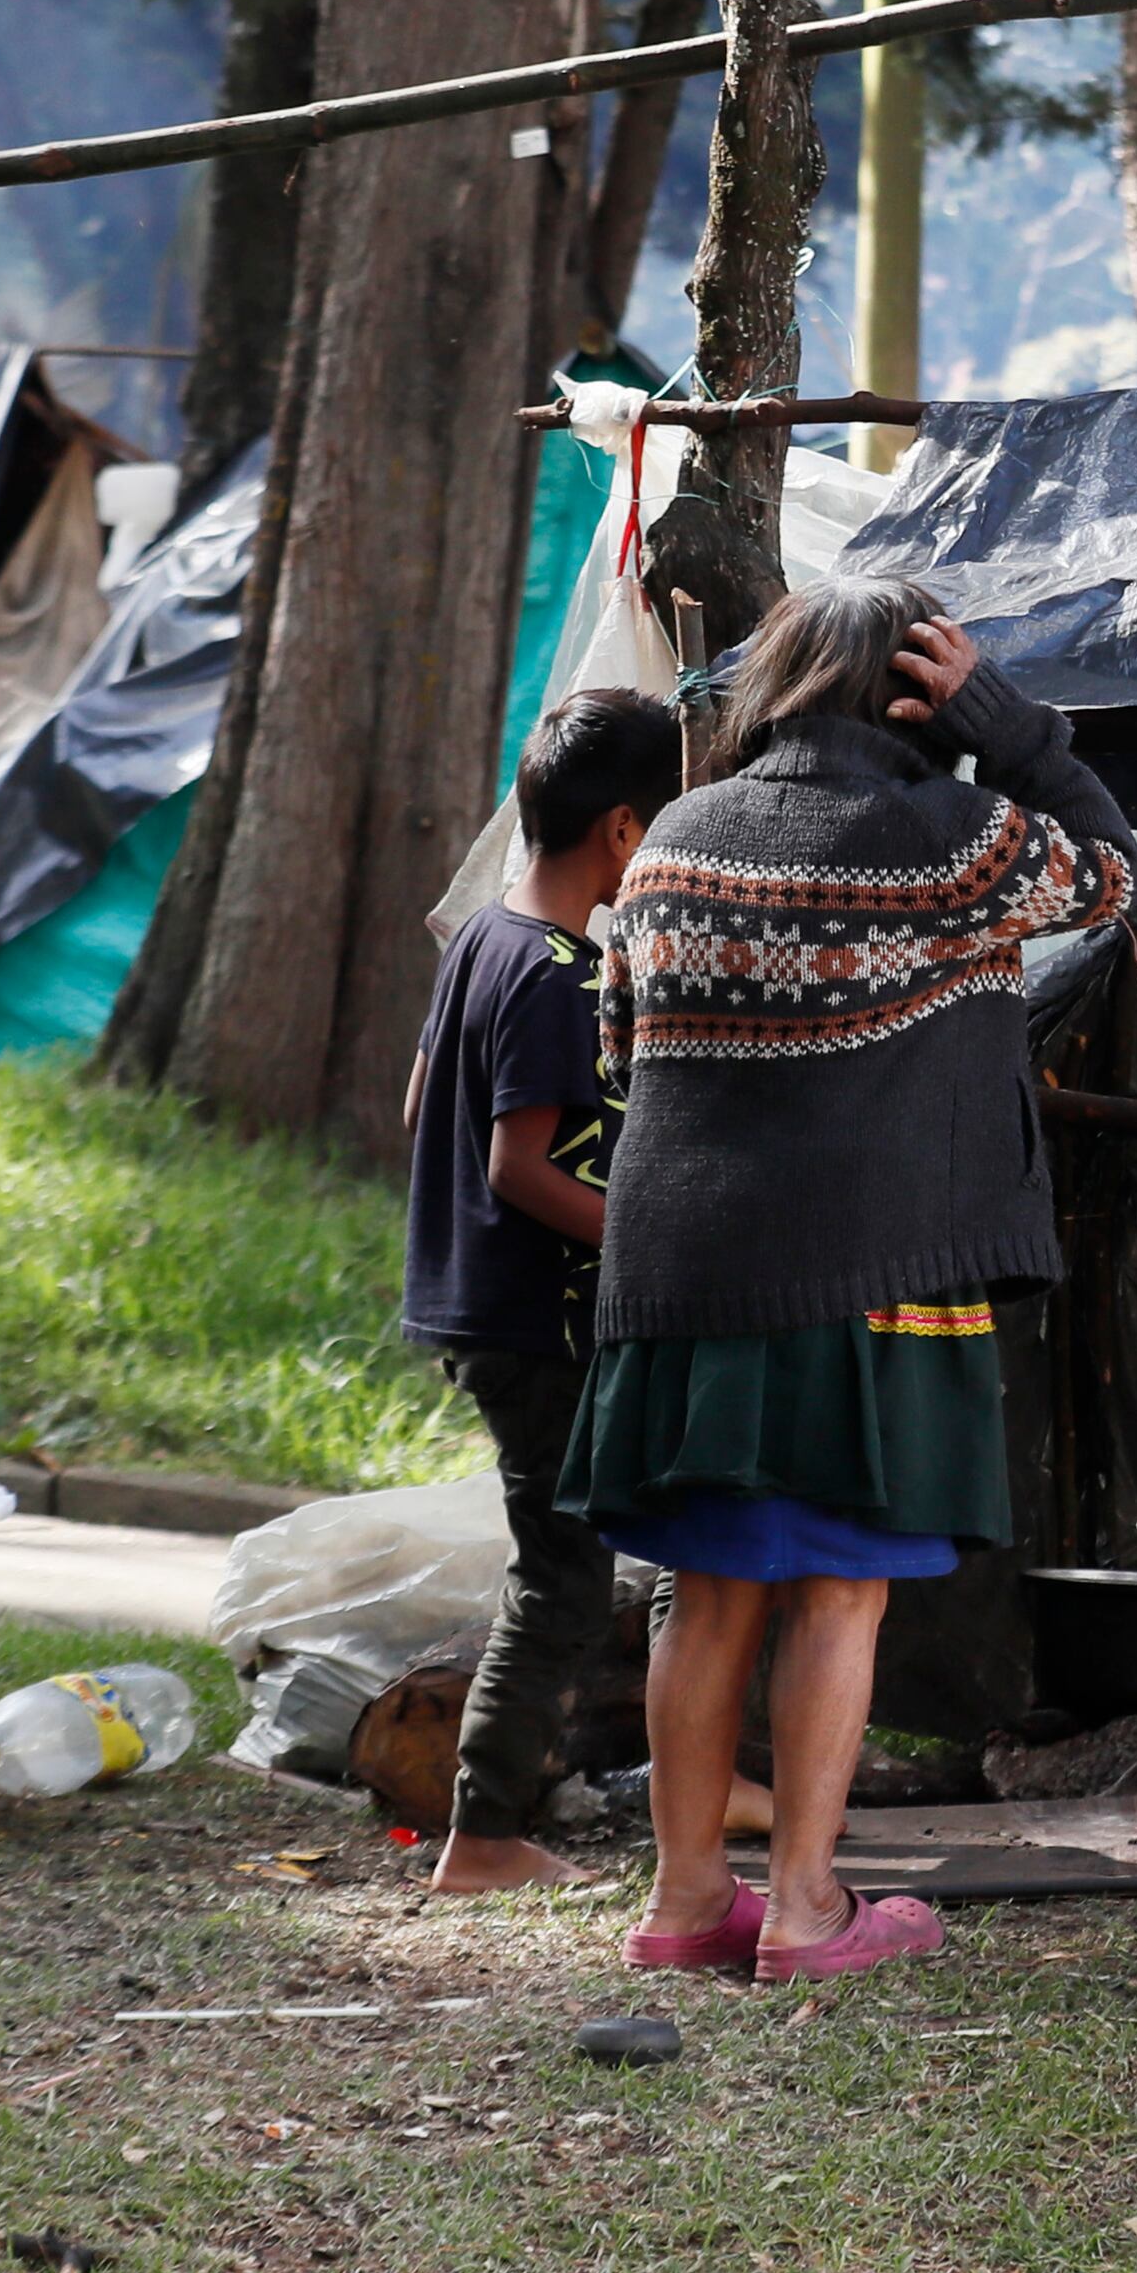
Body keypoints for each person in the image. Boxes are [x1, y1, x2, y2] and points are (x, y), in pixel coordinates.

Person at [569, 576, 1137, 1986]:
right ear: (921, 691)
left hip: (681, 1274)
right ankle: (809, 1905)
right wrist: (1009, 726)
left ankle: (687, 1897)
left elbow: (617, 1057)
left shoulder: (674, 845)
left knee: (699, 1594)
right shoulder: (958, 838)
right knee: (837, 1592)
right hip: (874, 1274)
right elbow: (1123, 878)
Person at [396, 688, 676, 1899]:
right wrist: (643, 1250)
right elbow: (520, 1166)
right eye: (664, 826)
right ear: (623, 829)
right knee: (560, 1580)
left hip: (475, 1304)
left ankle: (664, 1788)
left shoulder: (480, 943)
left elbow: (421, 1110)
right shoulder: (562, 974)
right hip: (537, 1322)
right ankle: (486, 1832)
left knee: (581, 1555)